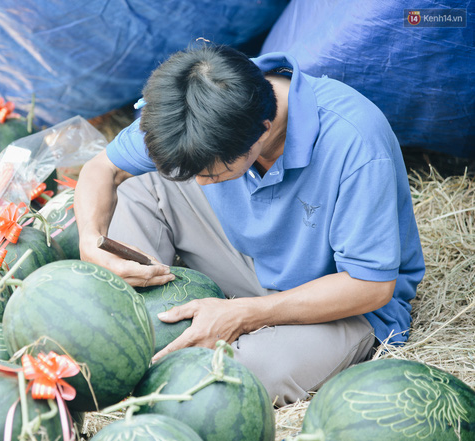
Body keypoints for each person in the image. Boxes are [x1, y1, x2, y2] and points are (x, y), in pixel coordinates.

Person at [74, 44, 425, 405]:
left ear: (262, 131)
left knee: (227, 383)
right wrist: (90, 238)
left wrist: (243, 314)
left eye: (214, 173)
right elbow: (102, 169)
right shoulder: (195, 103)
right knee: (138, 185)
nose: (201, 185)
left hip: (339, 303)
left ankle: (218, 339)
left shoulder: (356, 142)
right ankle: (136, 319)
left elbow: (370, 287)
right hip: (248, 259)